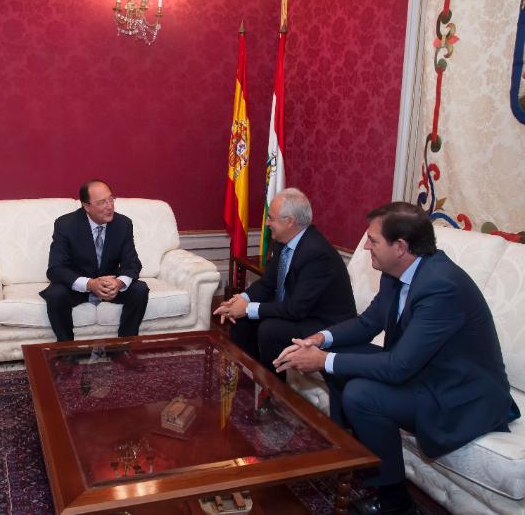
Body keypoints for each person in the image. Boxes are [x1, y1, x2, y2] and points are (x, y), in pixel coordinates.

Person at [273, 202, 520, 515]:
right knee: (341, 357)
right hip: (423, 371)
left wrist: (322, 361)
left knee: (361, 394)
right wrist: (320, 340)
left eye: (373, 241)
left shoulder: (441, 286)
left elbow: (398, 366)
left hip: (459, 394)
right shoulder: (396, 272)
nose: (365, 246)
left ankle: (395, 502)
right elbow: (368, 323)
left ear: (400, 246)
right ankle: (353, 458)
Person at [214, 188, 356, 372]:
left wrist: (247, 309)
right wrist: (242, 299)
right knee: (242, 321)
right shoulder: (283, 242)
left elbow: (295, 309)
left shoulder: (317, 253)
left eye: (271, 218)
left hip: (324, 322)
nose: (267, 223)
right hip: (299, 310)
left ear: (289, 221)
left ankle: (273, 392)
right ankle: (248, 380)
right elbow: (268, 283)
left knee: (270, 329)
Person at [40, 179, 149, 342]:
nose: (110, 206)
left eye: (111, 199)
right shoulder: (65, 224)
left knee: (140, 290)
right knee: (56, 294)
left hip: (109, 286)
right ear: (86, 206)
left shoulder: (123, 224)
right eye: (102, 202)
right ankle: (67, 352)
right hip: (78, 286)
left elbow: (132, 264)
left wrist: (118, 283)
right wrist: (90, 284)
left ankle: (124, 347)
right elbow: (55, 269)